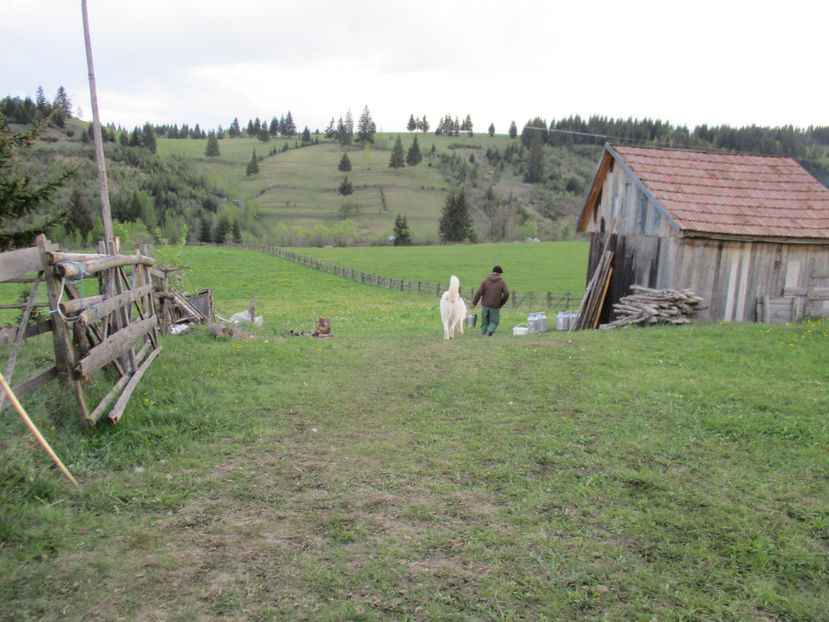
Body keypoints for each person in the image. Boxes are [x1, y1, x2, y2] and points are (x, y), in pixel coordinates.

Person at [469, 265, 510, 336]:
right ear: (500, 273)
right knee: (494, 322)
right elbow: (507, 293)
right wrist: (501, 303)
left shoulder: (485, 281)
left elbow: (479, 292)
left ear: (492, 272)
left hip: (485, 305)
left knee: (485, 321)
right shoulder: (502, 282)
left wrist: (474, 303)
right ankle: (489, 332)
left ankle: (483, 333)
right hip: (495, 306)